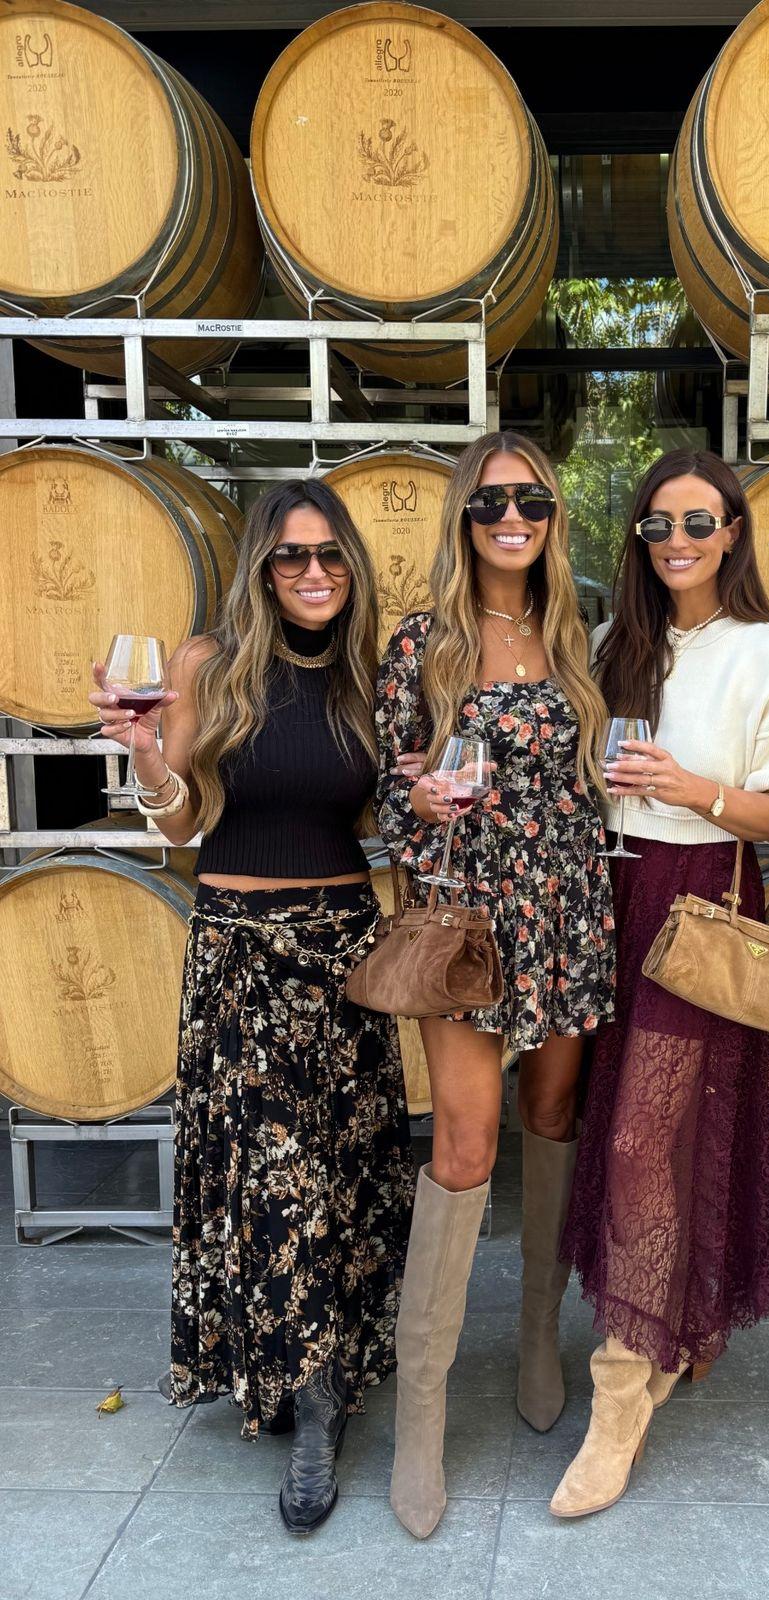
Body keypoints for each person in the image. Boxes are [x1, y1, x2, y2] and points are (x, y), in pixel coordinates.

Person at [88, 478, 414, 1536]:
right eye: (290, 557)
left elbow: (400, 806)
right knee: (274, 1181)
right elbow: (179, 825)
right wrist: (144, 755)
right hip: (237, 952)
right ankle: (312, 1410)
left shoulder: (372, 674)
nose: (313, 574)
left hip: (345, 955)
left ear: (351, 565)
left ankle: (321, 1371)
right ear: (262, 568)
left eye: (329, 555)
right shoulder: (205, 663)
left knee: (344, 1174)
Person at [553, 448, 769, 1518]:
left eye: (698, 524)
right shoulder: (615, 644)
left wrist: (692, 786)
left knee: (641, 1136)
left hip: (702, 896)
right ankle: (674, 1323)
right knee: (626, 1125)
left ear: (733, 532)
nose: (677, 542)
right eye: (658, 525)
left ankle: (619, 1395)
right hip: (608, 897)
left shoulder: (768, 651)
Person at [374, 430, 615, 1540]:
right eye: (489, 502)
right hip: (464, 919)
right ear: (463, 518)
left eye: (531, 500)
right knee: (465, 1148)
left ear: (553, 516)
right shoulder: (420, 642)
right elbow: (384, 796)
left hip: (565, 911)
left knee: (552, 1115)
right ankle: (419, 1412)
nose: (511, 517)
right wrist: (415, 807)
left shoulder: (578, 635)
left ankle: (531, 1335)